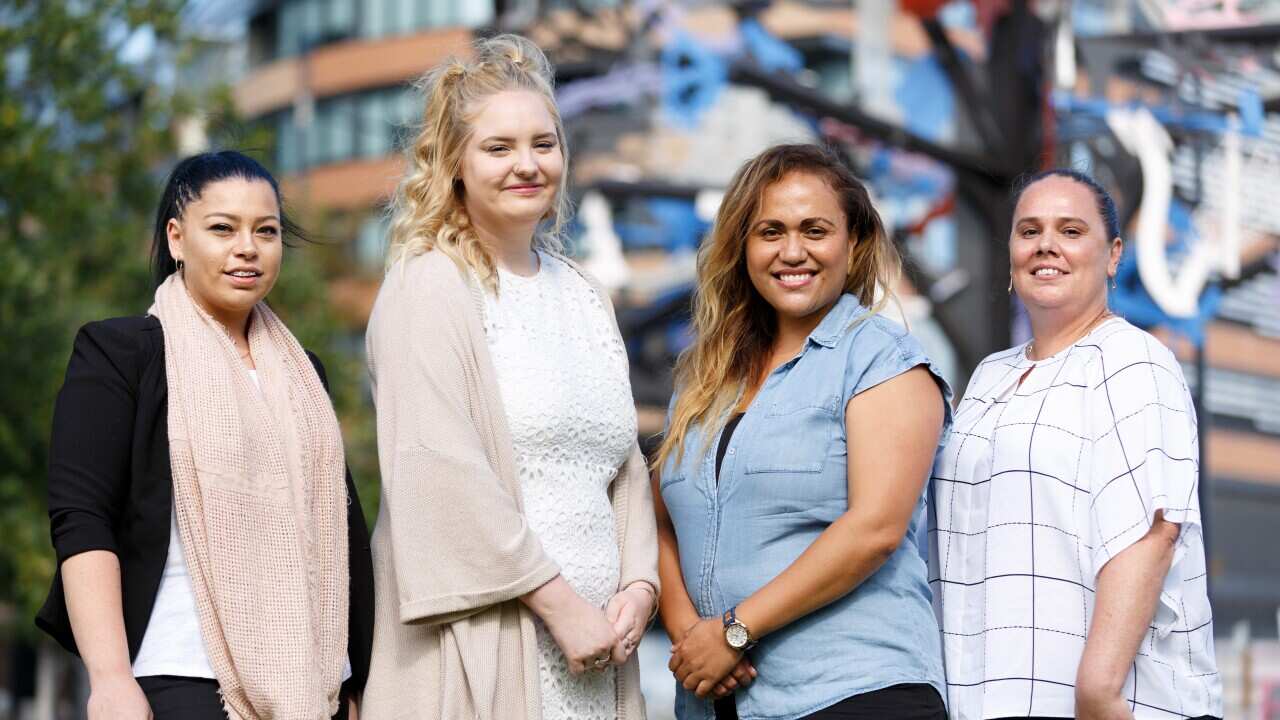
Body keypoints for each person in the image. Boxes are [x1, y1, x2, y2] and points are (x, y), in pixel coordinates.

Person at [359, 34, 659, 720]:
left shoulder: (585, 294)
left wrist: (638, 587)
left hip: (600, 656)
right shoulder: (428, 287)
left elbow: (624, 468)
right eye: (498, 148)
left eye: (543, 144)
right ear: (454, 164)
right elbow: (438, 471)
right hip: (488, 652)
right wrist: (560, 607)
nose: (527, 165)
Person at [35, 150, 375, 719]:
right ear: (176, 238)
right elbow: (82, 517)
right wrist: (111, 677)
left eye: (265, 231)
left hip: (317, 689)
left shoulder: (302, 373)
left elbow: (341, 529)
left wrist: (355, 679)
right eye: (222, 228)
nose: (248, 247)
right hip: (182, 676)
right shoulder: (122, 354)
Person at [653, 143, 952, 720]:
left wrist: (736, 631)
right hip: (714, 703)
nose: (793, 251)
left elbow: (875, 530)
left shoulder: (882, 359)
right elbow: (660, 524)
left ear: (853, 242)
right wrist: (693, 636)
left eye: (815, 230)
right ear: (742, 246)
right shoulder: (703, 379)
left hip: (853, 693)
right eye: (770, 231)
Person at [929, 168, 1222, 720]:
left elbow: (1152, 531)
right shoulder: (990, 376)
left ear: (1113, 255)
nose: (1046, 245)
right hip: (989, 695)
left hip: (1115, 703)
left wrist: (1098, 692)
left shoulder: (1131, 359)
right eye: (1029, 230)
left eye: (1070, 230)